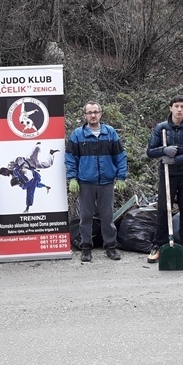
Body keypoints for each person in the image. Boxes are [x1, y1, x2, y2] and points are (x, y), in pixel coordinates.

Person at [65, 102, 128, 262]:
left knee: (107, 216)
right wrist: (72, 177)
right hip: (86, 182)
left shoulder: (111, 133)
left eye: (96, 112)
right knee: (85, 216)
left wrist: (121, 177)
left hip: (106, 182)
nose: (93, 115)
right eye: (89, 112)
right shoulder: (77, 135)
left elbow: (120, 156)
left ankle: (111, 247)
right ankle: (86, 247)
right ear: (84, 115)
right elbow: (70, 158)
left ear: (101, 114)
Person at [146, 96, 183, 264]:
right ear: (170, 108)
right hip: (167, 174)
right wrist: (164, 150)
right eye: (176, 106)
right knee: (164, 210)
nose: (179, 109)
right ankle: (158, 244)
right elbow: (150, 151)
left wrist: (176, 159)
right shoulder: (161, 128)